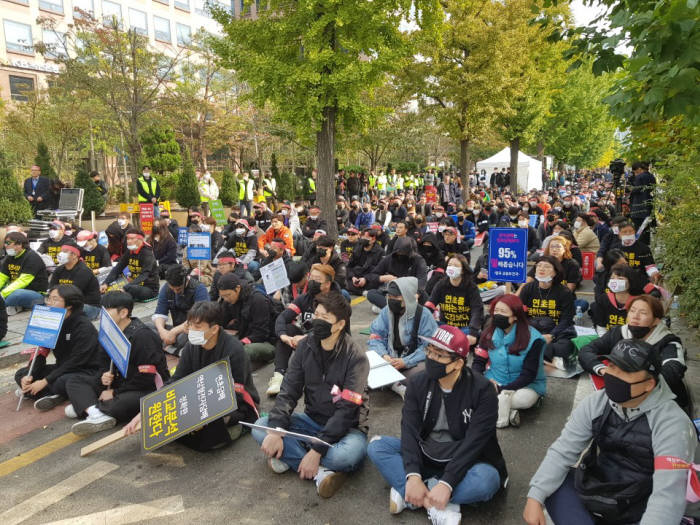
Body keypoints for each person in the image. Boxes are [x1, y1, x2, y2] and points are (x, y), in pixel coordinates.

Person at [523, 339, 696, 525]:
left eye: (625, 371)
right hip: (604, 489)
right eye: (612, 366)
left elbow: (668, 494)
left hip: (644, 504)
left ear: (648, 384)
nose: (614, 375)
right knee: (555, 482)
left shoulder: (672, 423)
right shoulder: (597, 402)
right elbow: (563, 450)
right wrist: (535, 497)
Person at [367, 325, 508, 524]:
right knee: (377, 446)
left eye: (439, 355)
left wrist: (448, 482)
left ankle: (411, 492)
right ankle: (430, 500)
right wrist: (413, 475)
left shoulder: (483, 390)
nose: (431, 358)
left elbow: (475, 442)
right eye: (430, 351)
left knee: (487, 480)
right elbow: (409, 429)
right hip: (426, 453)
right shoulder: (417, 382)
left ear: (458, 363)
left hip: (463, 459)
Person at [252, 291, 368, 499]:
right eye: (316, 315)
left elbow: (347, 411)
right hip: (311, 421)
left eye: (325, 318)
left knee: (347, 456)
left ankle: (295, 455)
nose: (317, 321)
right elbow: (288, 390)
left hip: (346, 430)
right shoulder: (305, 346)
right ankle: (321, 473)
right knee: (261, 427)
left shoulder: (356, 358)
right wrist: (277, 429)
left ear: (340, 324)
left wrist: (317, 450)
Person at [125, 301, 260, 451]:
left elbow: (237, 393)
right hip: (199, 398)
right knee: (169, 428)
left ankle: (239, 427)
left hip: (234, 405)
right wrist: (147, 410)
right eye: (190, 326)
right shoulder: (191, 347)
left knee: (206, 439)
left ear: (214, 329)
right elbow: (177, 380)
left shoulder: (234, 350)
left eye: (197, 327)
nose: (191, 331)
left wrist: (203, 413)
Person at [66, 291, 170, 435]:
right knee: (75, 381)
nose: (103, 315)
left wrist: (114, 392)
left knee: (123, 403)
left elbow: (146, 378)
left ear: (123, 313)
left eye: (107, 310)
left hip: (144, 387)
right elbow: (103, 360)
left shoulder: (143, 337)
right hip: (120, 381)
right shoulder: (109, 330)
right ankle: (95, 411)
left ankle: (89, 407)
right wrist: (104, 375)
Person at [579, 294, 689, 411]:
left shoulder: (668, 342)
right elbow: (586, 351)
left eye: (643, 313)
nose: (635, 316)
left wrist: (629, 380)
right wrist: (602, 369)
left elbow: (673, 371)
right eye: (632, 311)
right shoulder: (619, 333)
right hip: (623, 398)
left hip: (660, 403)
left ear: (656, 320)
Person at [15, 285, 102, 411]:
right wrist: (30, 375)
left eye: (55, 299)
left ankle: (53, 393)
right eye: (49, 299)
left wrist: (45, 381)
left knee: (64, 381)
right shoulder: (51, 320)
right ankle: (56, 394)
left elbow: (77, 361)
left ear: (69, 305)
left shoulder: (83, 326)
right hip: (62, 367)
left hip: (84, 370)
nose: (49, 303)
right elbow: (41, 350)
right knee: (21, 373)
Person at [267, 264, 342, 395]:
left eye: (317, 279)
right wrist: (283, 336)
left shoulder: (337, 302)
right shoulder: (305, 298)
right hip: (306, 339)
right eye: (311, 278)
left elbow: (331, 331)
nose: (312, 282)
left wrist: (306, 338)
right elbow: (283, 317)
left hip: (329, 344)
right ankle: (278, 375)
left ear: (327, 284)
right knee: (289, 329)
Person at [473, 295, 546, 428]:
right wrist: (482, 381)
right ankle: (507, 410)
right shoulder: (488, 333)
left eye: (503, 312)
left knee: (523, 399)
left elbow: (528, 375)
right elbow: (478, 362)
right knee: (469, 389)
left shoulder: (534, 339)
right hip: (493, 380)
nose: (497, 315)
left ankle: (495, 406)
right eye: (496, 311)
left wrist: (500, 389)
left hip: (524, 386)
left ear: (515, 316)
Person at [367, 277, 438, 399]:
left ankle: (391, 383)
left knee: (425, 373)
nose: (391, 300)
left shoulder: (424, 315)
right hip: (390, 359)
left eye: (396, 297)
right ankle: (395, 383)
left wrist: (406, 362)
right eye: (389, 297)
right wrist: (384, 356)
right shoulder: (386, 311)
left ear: (408, 296)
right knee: (360, 364)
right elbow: (375, 336)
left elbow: (429, 347)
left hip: (413, 361)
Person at [518, 256, 576, 368]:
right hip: (533, 328)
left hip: (556, 330)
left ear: (555, 272)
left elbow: (566, 319)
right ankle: (544, 356)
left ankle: (537, 354)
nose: (541, 269)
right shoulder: (528, 288)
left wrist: (552, 335)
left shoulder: (564, 292)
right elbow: (521, 313)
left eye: (547, 266)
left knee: (566, 346)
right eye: (539, 266)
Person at [217, 273, 277, 363]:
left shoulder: (258, 300)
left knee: (242, 351)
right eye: (223, 296)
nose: (225, 299)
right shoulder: (229, 300)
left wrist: (241, 342)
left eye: (228, 295)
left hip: (267, 341)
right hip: (245, 335)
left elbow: (261, 333)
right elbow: (222, 320)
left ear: (237, 289)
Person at [152, 265, 208, 356]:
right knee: (148, 328)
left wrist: (174, 332)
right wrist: (162, 332)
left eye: (178, 289)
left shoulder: (199, 289)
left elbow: (199, 318)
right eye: (172, 289)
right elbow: (159, 312)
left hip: (191, 329)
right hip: (175, 329)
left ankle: (168, 347)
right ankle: (174, 349)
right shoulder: (166, 288)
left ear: (186, 280)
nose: (175, 291)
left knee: (186, 339)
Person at [426, 255, 483, 341]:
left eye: (456, 266)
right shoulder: (441, 285)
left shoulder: (471, 287)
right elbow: (431, 304)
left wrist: (473, 331)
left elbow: (477, 310)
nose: (451, 268)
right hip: (444, 326)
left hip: (465, 327)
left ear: (463, 270)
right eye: (449, 265)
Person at [365, 237, 427, 311]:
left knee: (425, 297)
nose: (401, 255)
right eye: (399, 253)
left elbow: (422, 280)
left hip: (411, 292)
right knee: (371, 294)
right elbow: (371, 275)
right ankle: (394, 308)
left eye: (404, 254)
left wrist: (416, 295)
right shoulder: (389, 259)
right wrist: (384, 278)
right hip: (393, 292)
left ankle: (393, 308)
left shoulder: (418, 260)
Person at [100, 228, 159, 301]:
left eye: (132, 239)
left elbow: (144, 275)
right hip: (132, 283)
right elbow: (118, 268)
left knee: (129, 289)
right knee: (109, 280)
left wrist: (126, 287)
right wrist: (106, 283)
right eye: (127, 239)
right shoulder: (129, 251)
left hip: (148, 288)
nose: (128, 241)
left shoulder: (147, 253)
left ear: (140, 240)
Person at [0, 232, 49, 315]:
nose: (5, 245)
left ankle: (11, 305)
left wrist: (2, 294)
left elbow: (22, 282)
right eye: (5, 242)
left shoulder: (32, 257)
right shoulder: (9, 257)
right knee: (8, 292)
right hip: (15, 288)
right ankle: (16, 306)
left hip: (35, 294)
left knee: (16, 294)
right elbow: (2, 277)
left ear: (19, 244)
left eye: (8, 243)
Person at [49, 245, 101, 320]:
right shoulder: (59, 270)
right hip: (65, 302)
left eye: (65, 252)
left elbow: (73, 295)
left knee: (61, 311)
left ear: (74, 255)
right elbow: (51, 288)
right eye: (61, 251)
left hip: (88, 306)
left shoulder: (84, 271)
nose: (60, 254)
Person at [589, 263, 639, 335]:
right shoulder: (603, 299)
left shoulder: (638, 302)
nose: (615, 281)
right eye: (612, 278)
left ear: (631, 281)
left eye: (620, 278)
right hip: (607, 338)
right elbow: (601, 327)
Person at [345, 229, 384, 295]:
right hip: (356, 275)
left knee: (375, 282)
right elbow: (350, 265)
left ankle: (357, 291)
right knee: (343, 279)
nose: (363, 239)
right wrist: (353, 277)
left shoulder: (380, 252)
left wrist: (365, 279)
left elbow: (379, 270)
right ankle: (362, 292)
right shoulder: (357, 248)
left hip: (369, 276)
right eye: (362, 237)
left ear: (373, 239)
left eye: (366, 237)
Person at [629, 161, 655, 246]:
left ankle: (639, 248)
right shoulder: (651, 176)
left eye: (635, 172)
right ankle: (646, 247)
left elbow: (636, 190)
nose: (635, 174)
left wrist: (630, 189)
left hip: (638, 208)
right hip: (648, 206)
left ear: (639, 169)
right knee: (646, 231)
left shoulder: (640, 177)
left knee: (639, 230)